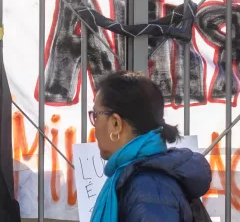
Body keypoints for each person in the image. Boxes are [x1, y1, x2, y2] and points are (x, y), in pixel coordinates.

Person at [89, 70, 212, 222]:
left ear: (116, 124)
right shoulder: (141, 178)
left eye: (96, 115)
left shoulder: (148, 188)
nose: (94, 125)